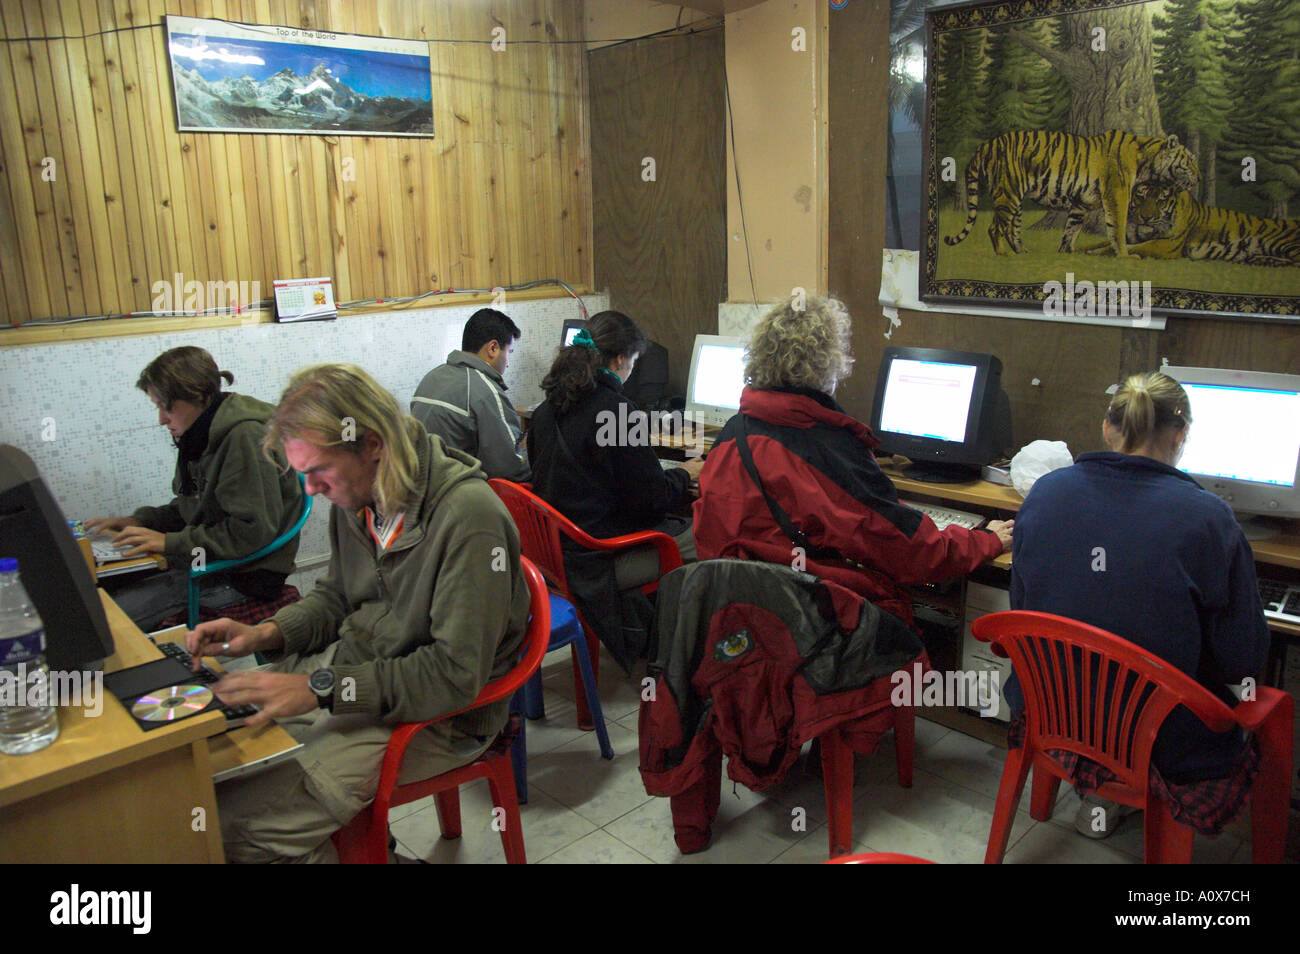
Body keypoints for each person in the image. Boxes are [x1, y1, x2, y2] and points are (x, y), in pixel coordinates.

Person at [185, 363, 530, 864]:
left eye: (317, 472)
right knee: (213, 763)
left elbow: (454, 676)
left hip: (442, 718)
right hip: (360, 674)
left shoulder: (468, 519)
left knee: (234, 832)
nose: (310, 490)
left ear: (371, 444)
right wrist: (263, 634)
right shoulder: (360, 495)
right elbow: (335, 597)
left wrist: (319, 690)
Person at [1009, 371, 1269, 837]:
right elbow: (1240, 659)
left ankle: (1101, 791)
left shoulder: (1044, 493)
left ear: (1107, 428)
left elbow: (1023, 607)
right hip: (1163, 743)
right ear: (1181, 434)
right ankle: (1129, 790)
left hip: (1051, 711)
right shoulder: (1209, 519)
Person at [692, 295, 1012, 630]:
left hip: (740, 621)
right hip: (816, 620)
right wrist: (983, 540)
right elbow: (910, 552)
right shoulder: (826, 447)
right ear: (829, 363)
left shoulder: (733, 433)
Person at [527, 311, 703, 669]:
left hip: (554, 557)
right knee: (710, 531)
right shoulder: (618, 412)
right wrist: (685, 473)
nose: (633, 371)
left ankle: (643, 632)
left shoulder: (546, 409)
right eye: (634, 362)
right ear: (620, 358)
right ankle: (684, 658)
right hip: (599, 559)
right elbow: (651, 502)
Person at [88, 347, 303, 631]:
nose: (161, 419)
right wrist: (141, 521)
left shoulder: (243, 437)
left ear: (199, 396)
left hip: (242, 575)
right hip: (210, 562)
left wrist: (169, 544)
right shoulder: (201, 432)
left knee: (101, 621)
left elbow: (251, 532)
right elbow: (194, 508)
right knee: (99, 591)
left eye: (167, 407)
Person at [411, 307, 530, 481]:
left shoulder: (430, 378)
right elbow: (510, 469)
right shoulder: (485, 390)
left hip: (422, 487)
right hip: (457, 493)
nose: (508, 363)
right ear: (493, 348)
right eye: (509, 352)